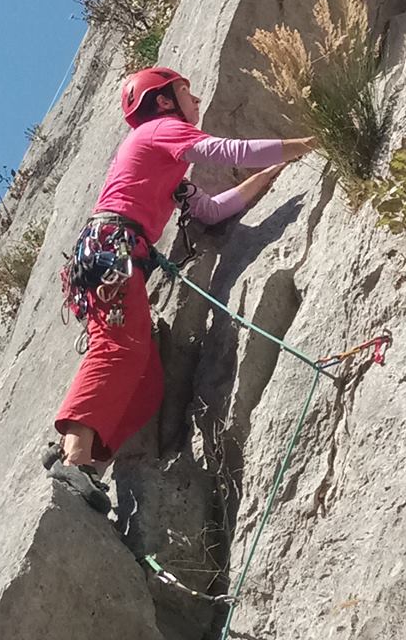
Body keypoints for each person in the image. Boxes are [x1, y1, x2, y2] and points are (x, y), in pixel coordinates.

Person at [44, 66, 315, 512]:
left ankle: (87, 458)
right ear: (165, 101)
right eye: (186, 92)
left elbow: (209, 210)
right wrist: (302, 143)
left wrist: (269, 173)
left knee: (149, 381)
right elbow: (224, 150)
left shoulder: (166, 167)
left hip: (111, 253)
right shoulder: (159, 130)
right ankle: (72, 454)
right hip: (112, 249)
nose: (197, 99)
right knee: (118, 349)